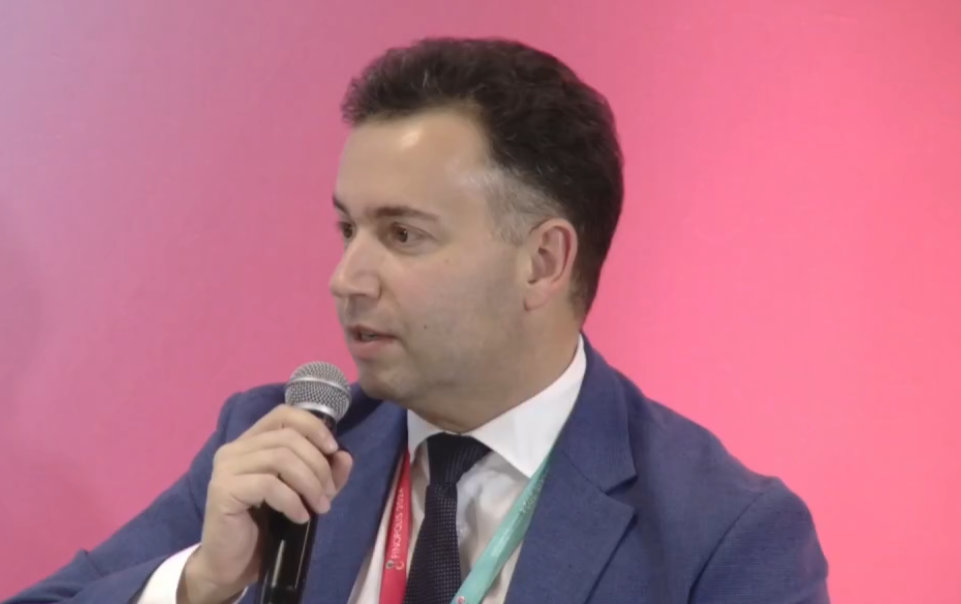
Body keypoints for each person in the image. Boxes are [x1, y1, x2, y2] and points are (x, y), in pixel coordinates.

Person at [6, 38, 829, 604]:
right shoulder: (279, 447)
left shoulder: (720, 533)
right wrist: (198, 585)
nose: (345, 279)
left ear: (542, 261)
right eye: (347, 230)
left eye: (402, 235)